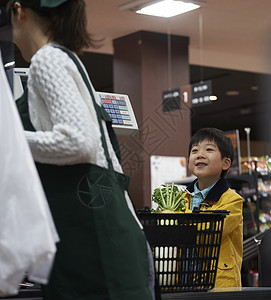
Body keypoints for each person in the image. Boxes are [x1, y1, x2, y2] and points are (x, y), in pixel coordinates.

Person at [8, 0, 155, 299]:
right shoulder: (67, 60)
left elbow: (78, 142)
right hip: (106, 237)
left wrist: (10, 140)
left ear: (20, 11)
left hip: (94, 242)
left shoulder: (47, 60)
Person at [183, 127, 243, 288]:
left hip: (220, 284)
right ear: (188, 161)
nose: (200, 154)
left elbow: (210, 232)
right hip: (183, 281)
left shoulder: (232, 200)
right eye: (195, 150)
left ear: (226, 163)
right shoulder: (181, 198)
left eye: (209, 149)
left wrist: (179, 222)